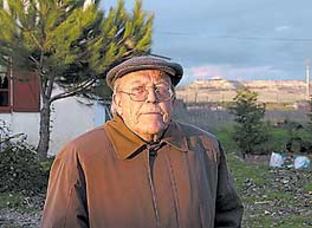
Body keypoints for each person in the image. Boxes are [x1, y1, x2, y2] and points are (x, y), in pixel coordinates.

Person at [41, 56, 243, 228]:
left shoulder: (205, 147)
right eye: (138, 90)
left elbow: (228, 215)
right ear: (118, 102)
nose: (151, 99)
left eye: (161, 90)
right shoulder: (81, 155)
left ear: (172, 100)